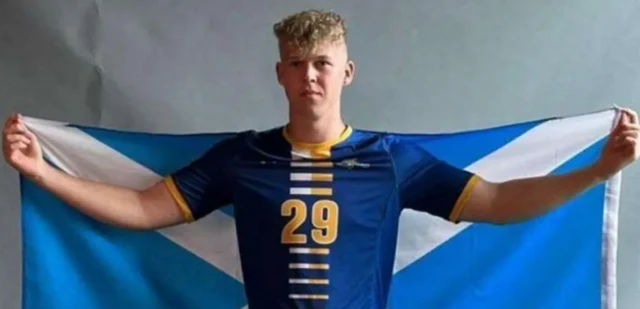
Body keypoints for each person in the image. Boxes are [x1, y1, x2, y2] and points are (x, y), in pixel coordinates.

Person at [2, 9, 639, 309]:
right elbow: (143, 209)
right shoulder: (242, 158)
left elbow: (497, 203)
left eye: (323, 64)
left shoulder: (393, 161)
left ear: (347, 72)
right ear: (281, 72)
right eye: (299, 64)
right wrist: (41, 172)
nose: (311, 76)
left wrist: (598, 169)